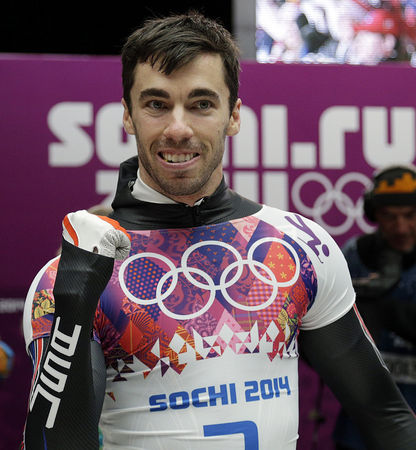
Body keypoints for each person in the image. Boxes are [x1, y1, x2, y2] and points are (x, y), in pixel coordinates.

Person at [21, 11, 416, 450]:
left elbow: (387, 418)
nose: (178, 128)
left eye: (201, 104)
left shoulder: (298, 247)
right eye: (156, 104)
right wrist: (73, 305)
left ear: (234, 116)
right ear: (129, 116)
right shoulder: (68, 277)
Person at [333, 164, 416, 450]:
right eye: (389, 217)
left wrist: (382, 307)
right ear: (373, 215)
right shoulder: (355, 255)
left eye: (410, 216)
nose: (401, 227)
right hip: (362, 425)